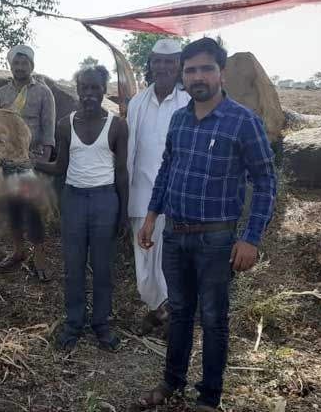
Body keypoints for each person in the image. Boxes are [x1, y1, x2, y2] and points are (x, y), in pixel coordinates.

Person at [136, 38, 277, 411]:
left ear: (221, 73)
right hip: (175, 235)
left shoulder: (243, 121)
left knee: (213, 319)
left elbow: (266, 182)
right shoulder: (180, 119)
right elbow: (168, 169)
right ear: (184, 75)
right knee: (180, 312)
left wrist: (251, 239)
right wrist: (151, 216)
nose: (197, 77)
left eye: (205, 69)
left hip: (216, 240)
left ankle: (209, 398)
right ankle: (172, 383)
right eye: (191, 70)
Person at [36, 65, 129, 351]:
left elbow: (122, 172)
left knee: (102, 268)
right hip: (74, 200)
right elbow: (61, 167)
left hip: (105, 201)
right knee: (73, 267)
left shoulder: (117, 126)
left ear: (104, 90)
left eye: (95, 88)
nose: (89, 93)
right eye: (84, 88)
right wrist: (33, 163)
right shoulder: (66, 125)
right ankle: (74, 323)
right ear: (77, 91)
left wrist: (123, 213)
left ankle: (101, 324)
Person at [126, 39, 191, 334]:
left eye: (170, 62)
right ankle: (155, 308)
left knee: (171, 263)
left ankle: (170, 316)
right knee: (143, 264)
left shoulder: (188, 103)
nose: (163, 67)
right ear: (150, 64)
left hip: (176, 199)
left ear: (178, 66)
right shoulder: (137, 102)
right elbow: (128, 154)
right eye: (158, 61)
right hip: (140, 196)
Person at [0, 45, 56, 281]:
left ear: (32, 66)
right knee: (12, 207)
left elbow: (48, 130)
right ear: (11, 66)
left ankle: (39, 256)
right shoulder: (1, 95)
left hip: (32, 160)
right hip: (6, 159)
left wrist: (44, 166)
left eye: (24, 63)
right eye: (16, 63)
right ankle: (18, 250)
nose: (20, 67)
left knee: (33, 209)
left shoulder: (43, 93)